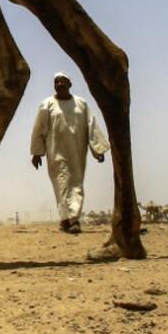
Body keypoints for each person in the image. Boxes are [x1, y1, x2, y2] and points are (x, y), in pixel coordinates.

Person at [31, 72, 109, 234]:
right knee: (62, 184)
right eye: (56, 82)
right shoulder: (47, 105)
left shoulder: (81, 104)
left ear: (69, 85)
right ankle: (71, 219)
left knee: (76, 184)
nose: (59, 84)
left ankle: (67, 219)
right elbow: (39, 129)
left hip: (77, 151)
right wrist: (37, 153)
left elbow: (91, 126)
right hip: (56, 152)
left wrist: (98, 149)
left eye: (63, 82)